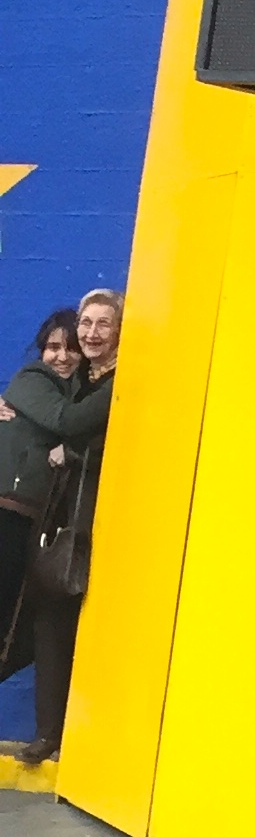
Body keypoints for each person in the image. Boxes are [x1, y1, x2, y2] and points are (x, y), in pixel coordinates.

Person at [13, 285, 119, 759]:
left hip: (107, 513)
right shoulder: (73, 379)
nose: (91, 333)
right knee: (48, 617)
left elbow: (104, 433)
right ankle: (48, 734)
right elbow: (57, 416)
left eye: (103, 324)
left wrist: (73, 450)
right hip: (63, 517)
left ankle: (89, 737)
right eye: (86, 323)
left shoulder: (124, 380)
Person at [0, 311, 84, 709]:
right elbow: (65, 420)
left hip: (36, 528)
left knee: (26, 629)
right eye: (53, 347)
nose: (61, 357)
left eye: (71, 348)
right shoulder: (33, 380)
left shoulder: (79, 393)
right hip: (8, 515)